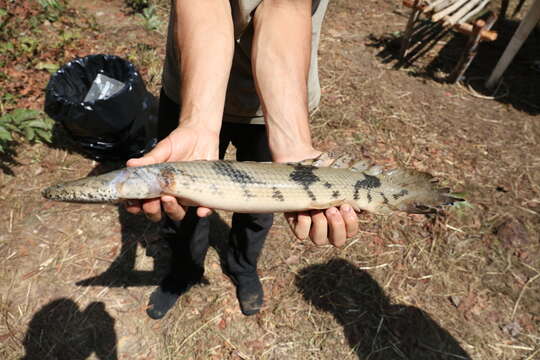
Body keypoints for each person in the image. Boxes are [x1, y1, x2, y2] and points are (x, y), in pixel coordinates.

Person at [125, 0, 359, 319]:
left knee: (262, 206)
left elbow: (285, 6)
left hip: (276, 101)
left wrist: (291, 141)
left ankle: (243, 267)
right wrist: (198, 121)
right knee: (178, 204)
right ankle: (183, 270)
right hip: (191, 87)